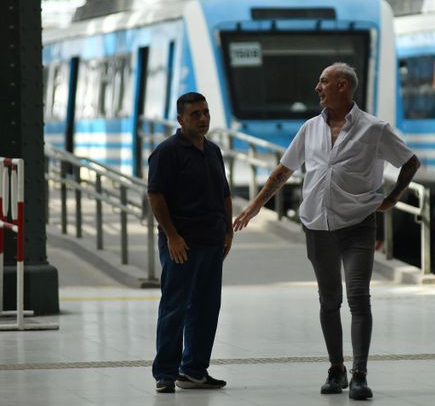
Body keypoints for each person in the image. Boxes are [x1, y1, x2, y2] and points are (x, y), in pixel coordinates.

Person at [233, 62, 420, 401]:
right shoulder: (309, 128)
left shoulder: (374, 129)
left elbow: (410, 162)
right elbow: (283, 171)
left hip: (358, 224)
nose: (317, 88)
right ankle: (337, 369)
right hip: (317, 225)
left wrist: (392, 199)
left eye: (323, 82)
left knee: (358, 297)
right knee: (329, 299)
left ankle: (360, 374)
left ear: (342, 86)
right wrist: (255, 205)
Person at [149, 92, 233, 394]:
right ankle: (165, 373)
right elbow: (155, 195)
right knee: (175, 307)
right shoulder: (167, 152)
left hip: (212, 241)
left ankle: (195, 371)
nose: (203, 118)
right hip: (182, 244)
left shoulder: (213, 151)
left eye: (206, 112)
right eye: (195, 114)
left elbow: (224, 194)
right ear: (180, 119)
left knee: (206, 308)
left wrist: (228, 231)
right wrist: (172, 236)